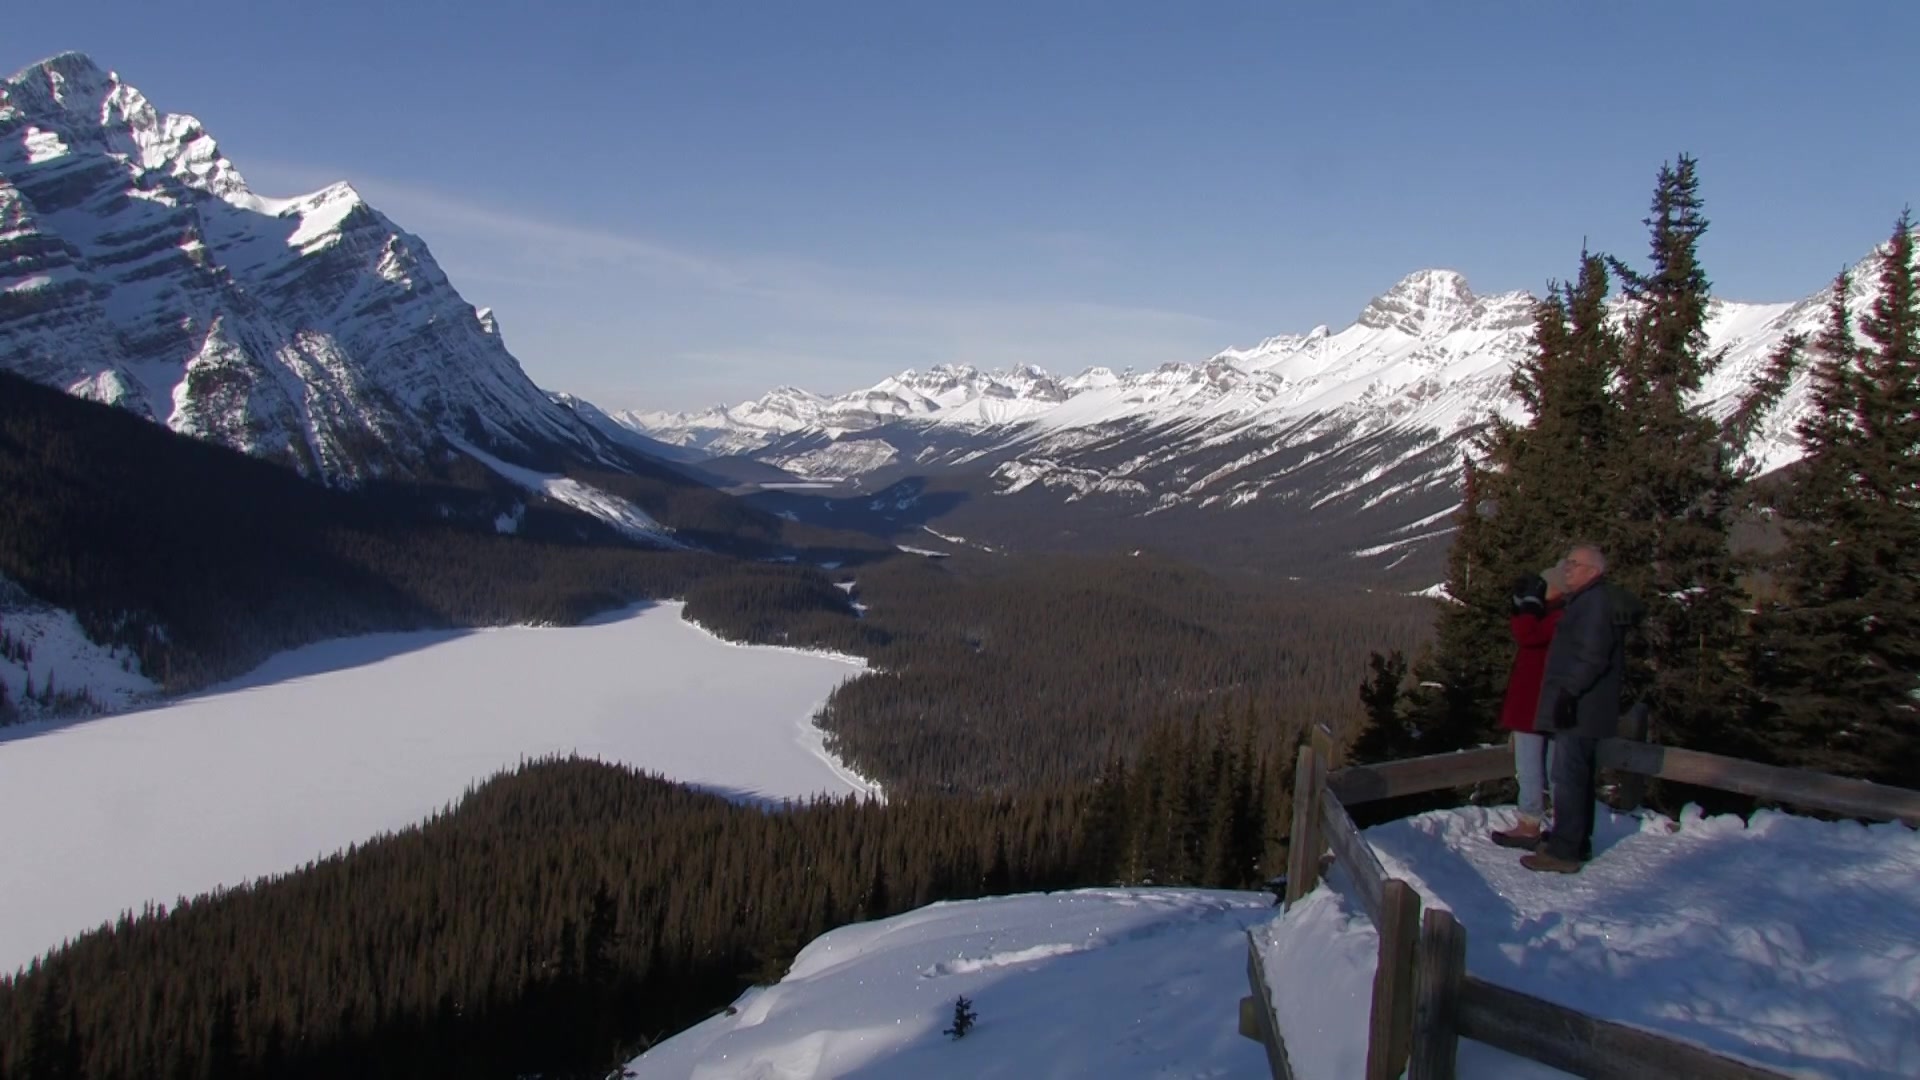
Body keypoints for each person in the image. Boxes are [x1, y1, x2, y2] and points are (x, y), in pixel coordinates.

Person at [1520, 544, 1642, 874]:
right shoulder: (1589, 601)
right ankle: (1575, 840)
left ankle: (1564, 851)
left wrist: (1568, 693)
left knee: (1569, 776)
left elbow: (1592, 656)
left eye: (1574, 564)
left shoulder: (1592, 605)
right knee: (1579, 776)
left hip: (1580, 708)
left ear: (1593, 571)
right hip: (1586, 706)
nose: (1567, 569)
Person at [1490, 569, 1563, 850]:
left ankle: (1531, 823)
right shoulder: (1561, 615)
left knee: (1532, 766)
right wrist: (1523, 606)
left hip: (1533, 702)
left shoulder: (1557, 617)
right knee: (1553, 767)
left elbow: (1526, 634)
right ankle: (1560, 823)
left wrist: (1528, 606)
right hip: (1547, 703)